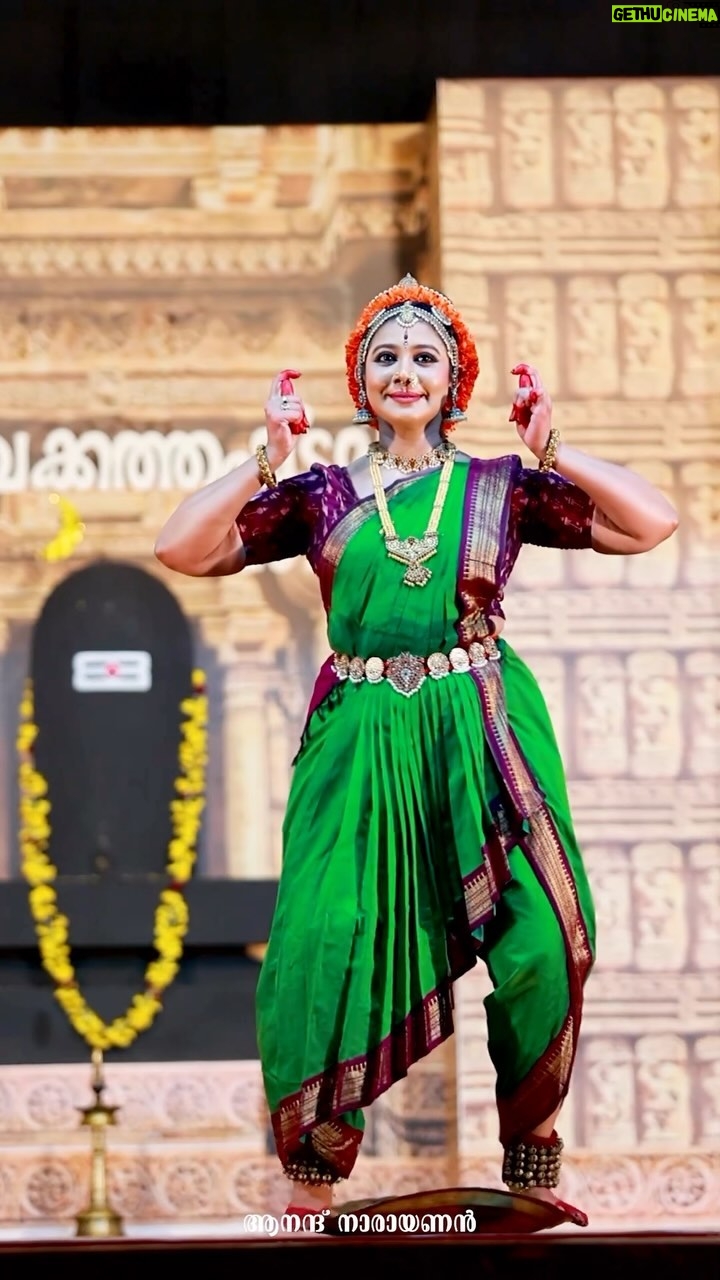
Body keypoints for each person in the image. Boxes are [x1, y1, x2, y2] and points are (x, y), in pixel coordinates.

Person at [155, 275, 678, 1227]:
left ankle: (531, 1160)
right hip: (359, 741)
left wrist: (553, 449)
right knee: (319, 941)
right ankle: (311, 1182)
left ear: (453, 381)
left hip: (480, 729)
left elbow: (651, 523)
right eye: (385, 357)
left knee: (549, 936)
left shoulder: (498, 486)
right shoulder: (319, 496)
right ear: (361, 381)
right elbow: (183, 549)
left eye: (424, 357)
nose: (405, 371)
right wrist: (263, 459)